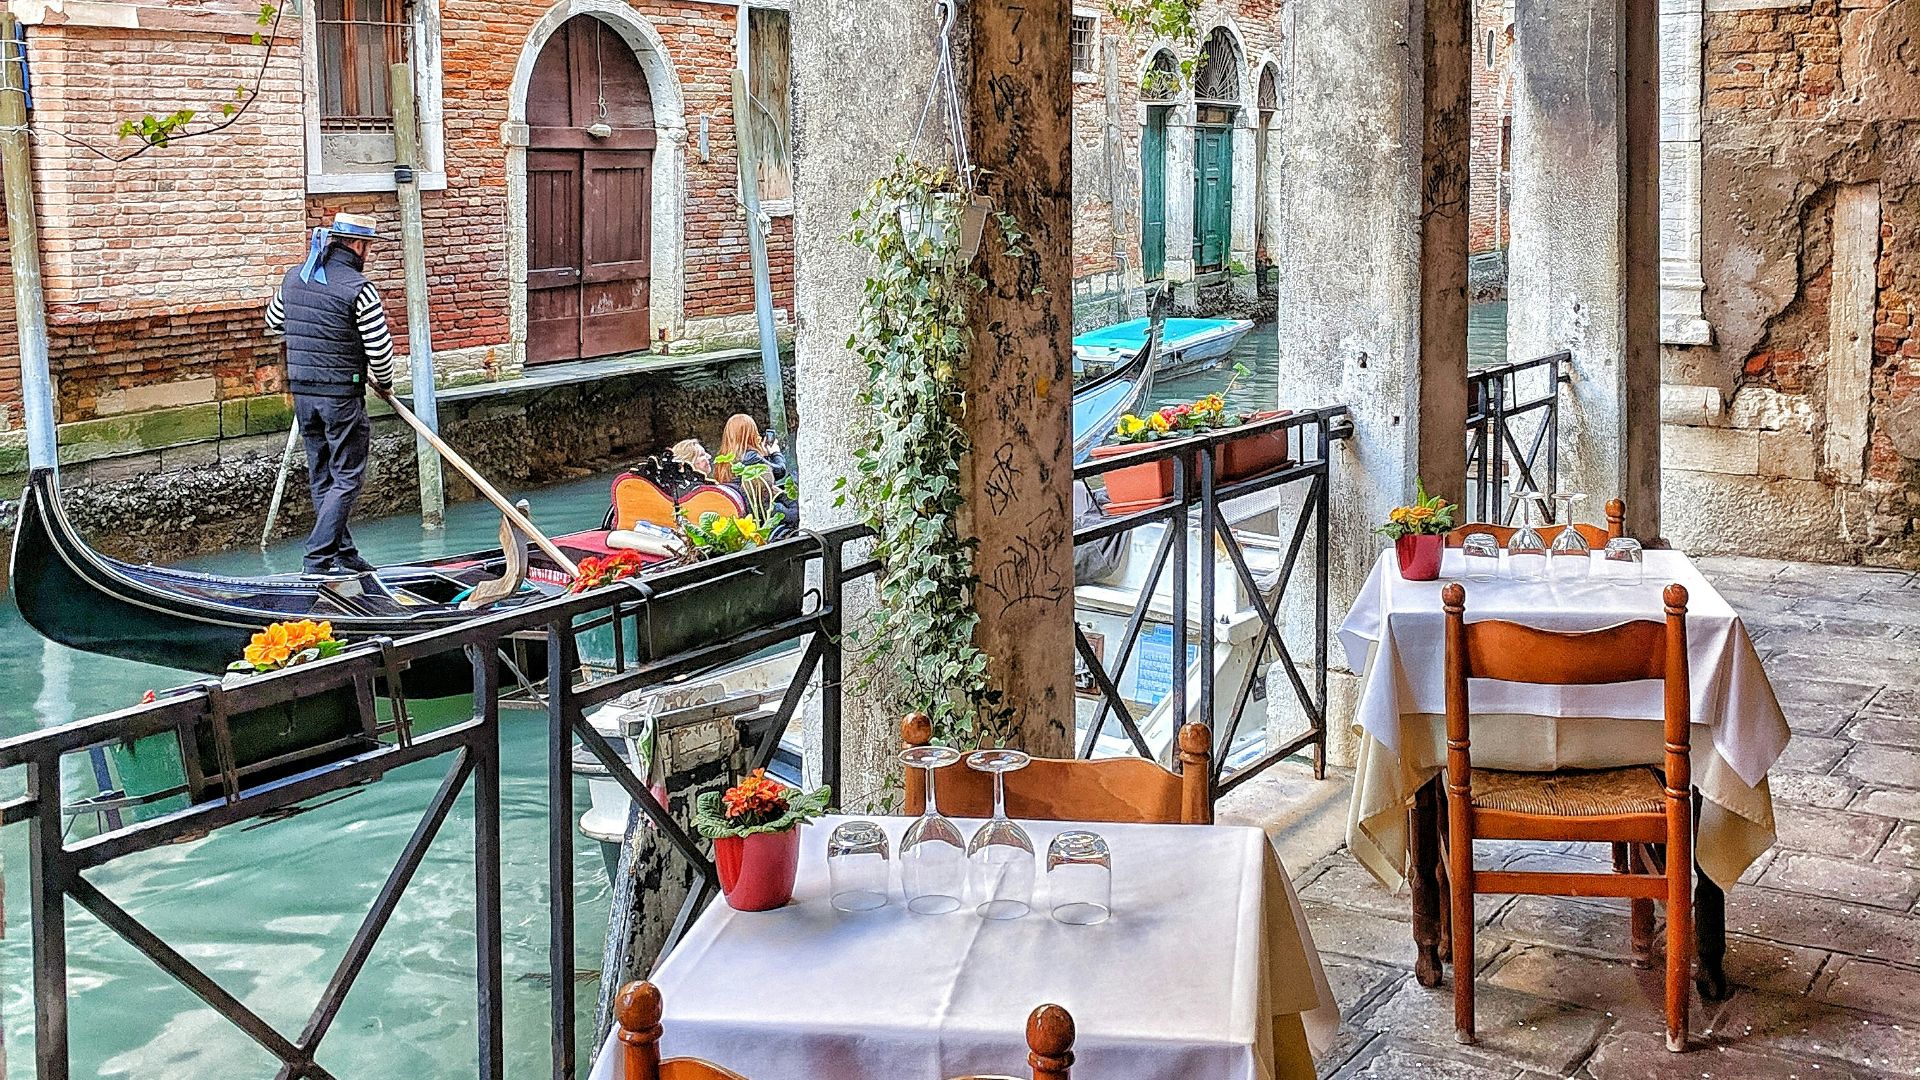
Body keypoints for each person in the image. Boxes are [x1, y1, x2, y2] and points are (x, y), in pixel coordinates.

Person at [264, 212, 397, 578]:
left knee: (322, 474)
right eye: (368, 246)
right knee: (347, 477)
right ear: (357, 245)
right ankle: (317, 561)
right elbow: (379, 350)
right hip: (340, 395)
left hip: (304, 394)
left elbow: (274, 321)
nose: (367, 252)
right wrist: (385, 383)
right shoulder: (359, 288)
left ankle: (344, 554)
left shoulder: (294, 278)